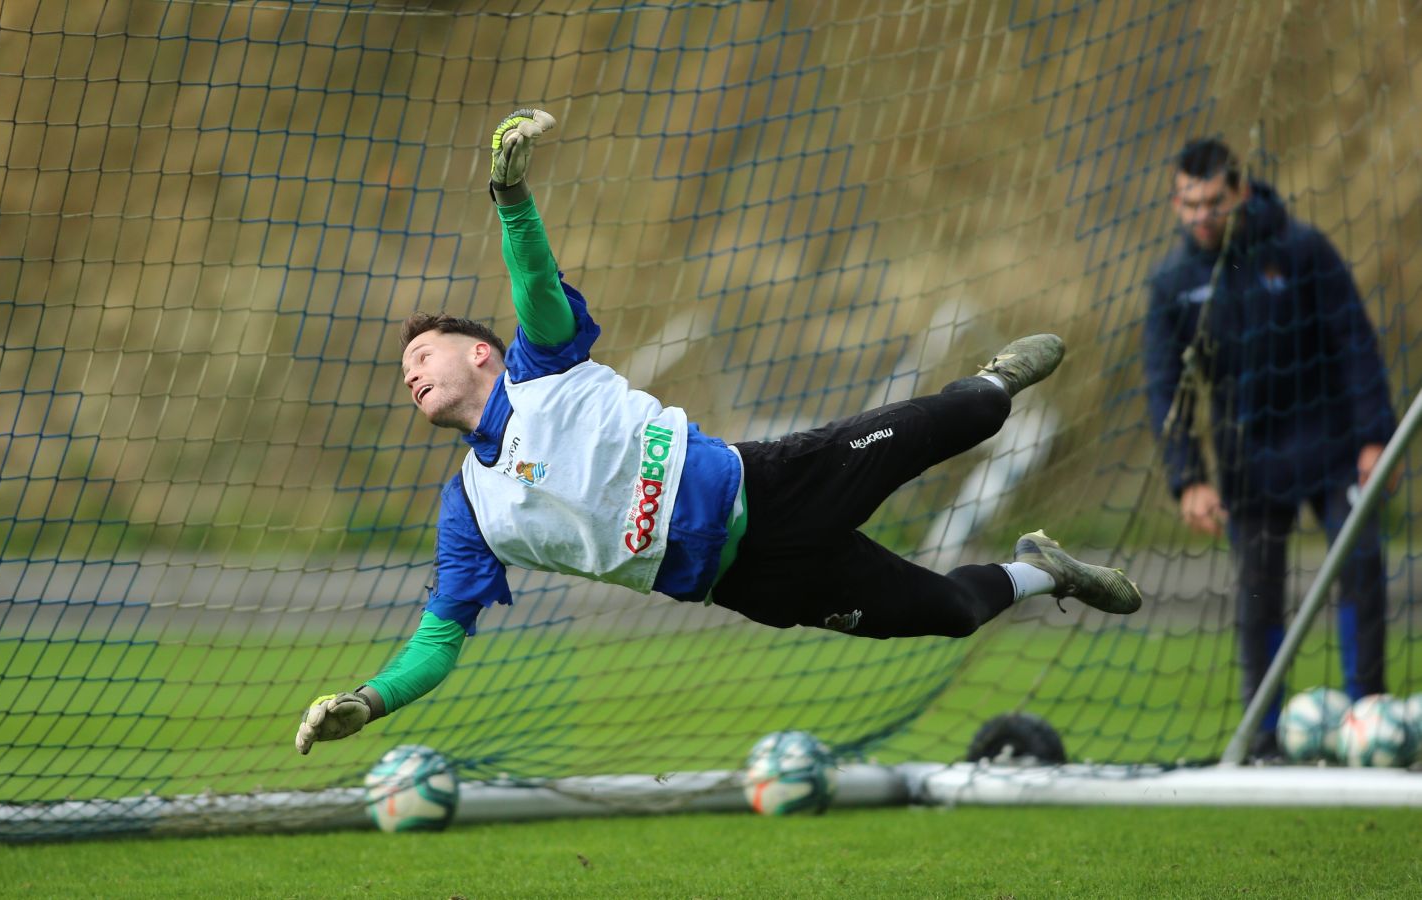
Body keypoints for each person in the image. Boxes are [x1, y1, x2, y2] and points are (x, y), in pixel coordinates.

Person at [295, 109, 1142, 754]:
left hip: (774, 482)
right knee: (954, 611)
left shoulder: (540, 364)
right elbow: (439, 641)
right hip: (752, 584)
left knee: (972, 414)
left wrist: (510, 195)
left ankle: (991, 380)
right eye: (403, 370)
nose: (409, 371)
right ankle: (1041, 573)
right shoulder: (467, 512)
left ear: (479, 352)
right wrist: (370, 701)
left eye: (422, 352)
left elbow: (533, 279)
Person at [1142, 137, 1397, 758]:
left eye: (1213, 202)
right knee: (1258, 594)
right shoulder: (1173, 283)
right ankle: (1264, 735)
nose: (1202, 216)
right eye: (1189, 204)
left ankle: (1370, 721)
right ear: (1176, 203)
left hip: (1333, 445)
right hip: (1248, 460)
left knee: (1360, 567)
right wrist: (1188, 478)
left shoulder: (1300, 249)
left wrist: (1375, 437)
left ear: (1241, 193)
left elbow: (1354, 342)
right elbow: (1164, 389)